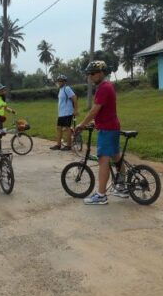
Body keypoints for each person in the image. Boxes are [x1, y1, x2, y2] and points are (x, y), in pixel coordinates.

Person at [75, 60, 128, 205]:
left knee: (103, 160)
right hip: (111, 126)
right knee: (116, 156)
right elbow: (104, 110)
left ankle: (101, 195)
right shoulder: (108, 86)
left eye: (93, 73)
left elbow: (94, 109)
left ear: (101, 73)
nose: (90, 76)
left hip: (108, 130)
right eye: (89, 74)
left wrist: (82, 124)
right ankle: (122, 187)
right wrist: (95, 122)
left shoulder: (103, 88)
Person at [50, 74, 77, 151]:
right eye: (58, 81)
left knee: (67, 128)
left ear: (64, 82)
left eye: (61, 81)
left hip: (67, 112)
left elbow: (74, 98)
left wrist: (75, 110)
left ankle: (68, 146)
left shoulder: (67, 88)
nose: (59, 82)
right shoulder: (61, 90)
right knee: (58, 128)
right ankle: (58, 145)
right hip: (61, 113)